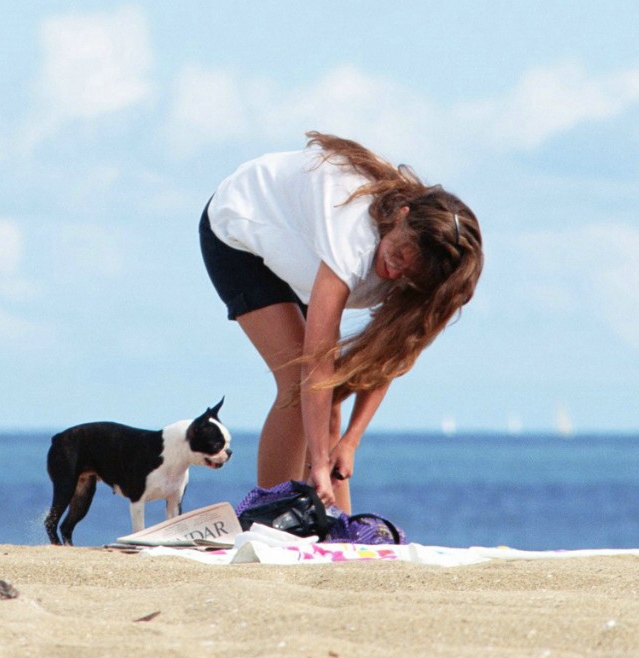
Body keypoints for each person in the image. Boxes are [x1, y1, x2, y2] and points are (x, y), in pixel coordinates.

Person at [199, 131, 483, 512]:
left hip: (297, 251)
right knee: (298, 383)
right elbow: (317, 360)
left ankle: (337, 528)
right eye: (398, 253)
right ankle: (268, 518)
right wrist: (318, 461)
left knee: (327, 400)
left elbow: (387, 355)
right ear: (401, 216)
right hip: (240, 228)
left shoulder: (426, 273)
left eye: (409, 273)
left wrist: (350, 440)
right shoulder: (353, 238)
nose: (395, 271)